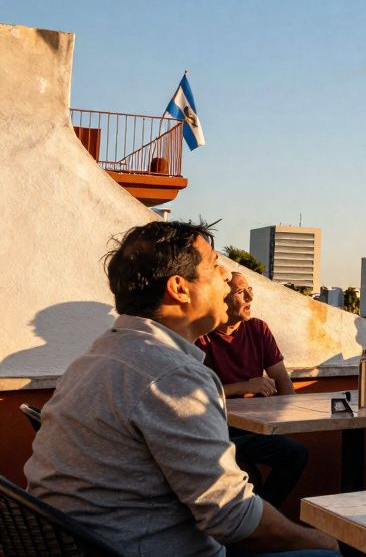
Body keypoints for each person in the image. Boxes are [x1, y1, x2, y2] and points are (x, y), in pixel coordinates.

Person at [24, 221, 338, 556]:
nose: (228, 278)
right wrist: (326, 541)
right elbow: (233, 520)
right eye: (215, 266)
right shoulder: (170, 374)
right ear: (180, 288)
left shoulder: (99, 357)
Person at [196, 271, 308, 508]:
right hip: (218, 429)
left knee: (295, 454)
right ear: (222, 298)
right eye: (240, 292)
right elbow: (194, 394)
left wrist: (294, 418)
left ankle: (261, 518)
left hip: (259, 427)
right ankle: (259, 522)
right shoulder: (201, 337)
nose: (249, 297)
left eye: (250, 290)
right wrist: (244, 387)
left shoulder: (258, 329)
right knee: (255, 473)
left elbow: (281, 378)